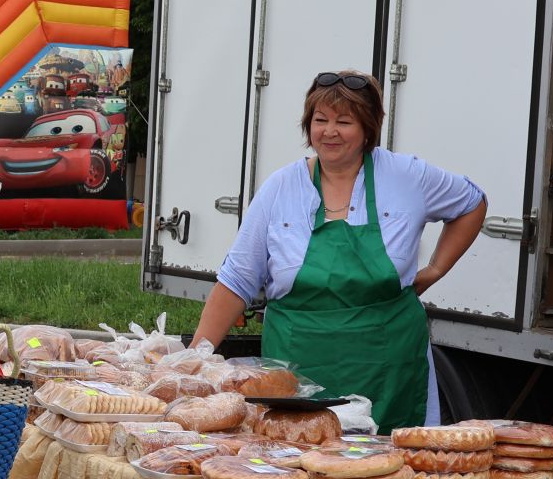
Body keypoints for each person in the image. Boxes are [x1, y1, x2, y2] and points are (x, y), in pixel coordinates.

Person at [188, 70, 487, 431]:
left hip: (390, 373)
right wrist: (193, 363)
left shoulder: (407, 176)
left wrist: (436, 268)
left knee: (386, 477)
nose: (330, 132)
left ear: (368, 129)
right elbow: (237, 280)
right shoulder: (280, 188)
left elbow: (472, 203)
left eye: (344, 121)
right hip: (298, 373)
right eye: (320, 120)